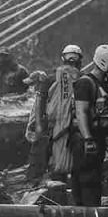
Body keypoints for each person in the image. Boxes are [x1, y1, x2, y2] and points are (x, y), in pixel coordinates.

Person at [71, 44, 108, 206]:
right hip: (86, 141)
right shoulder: (85, 83)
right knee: (87, 181)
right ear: (103, 63)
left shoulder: (103, 84)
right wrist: (88, 139)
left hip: (98, 139)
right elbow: (81, 112)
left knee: (94, 180)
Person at [45, 44, 84, 181]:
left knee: (57, 159)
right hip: (76, 126)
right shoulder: (84, 79)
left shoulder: (52, 77)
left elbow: (41, 101)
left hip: (57, 127)